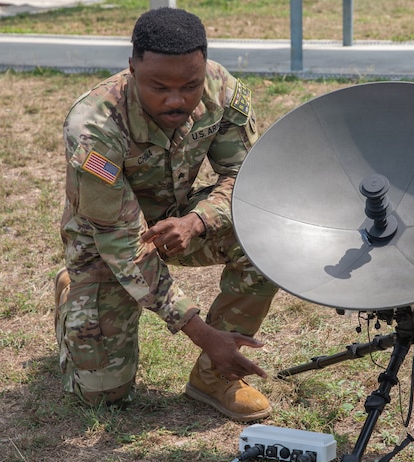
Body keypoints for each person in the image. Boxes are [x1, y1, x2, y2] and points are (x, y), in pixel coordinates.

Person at [54, 7, 279, 422]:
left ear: (204, 68)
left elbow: (248, 179)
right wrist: (201, 333)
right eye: (159, 87)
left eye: (190, 85)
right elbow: (122, 243)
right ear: (133, 69)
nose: (177, 100)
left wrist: (198, 221)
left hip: (178, 223)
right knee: (103, 398)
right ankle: (75, 292)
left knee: (266, 236)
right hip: (106, 244)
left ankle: (216, 378)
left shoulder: (222, 90)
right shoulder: (95, 126)